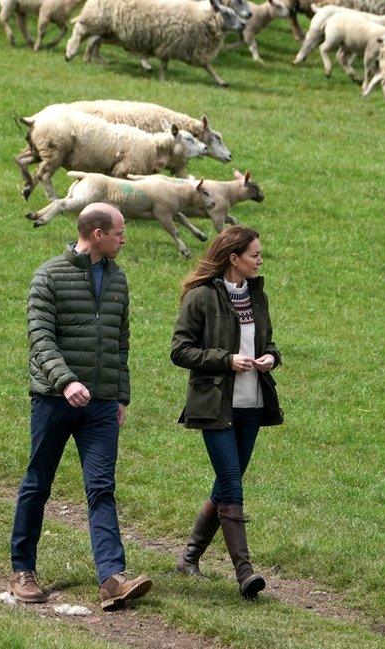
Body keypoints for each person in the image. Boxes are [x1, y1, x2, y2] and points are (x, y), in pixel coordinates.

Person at [9, 203, 152, 610]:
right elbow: (40, 338)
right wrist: (66, 380)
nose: (125, 238)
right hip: (53, 400)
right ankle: (23, 569)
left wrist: (120, 395)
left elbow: (121, 340)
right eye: (120, 232)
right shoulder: (49, 276)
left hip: (101, 406)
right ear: (96, 233)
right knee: (38, 482)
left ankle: (111, 578)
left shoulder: (118, 279)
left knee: (102, 488)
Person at [171, 226, 282, 599]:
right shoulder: (200, 297)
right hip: (216, 406)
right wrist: (226, 360)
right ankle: (245, 573)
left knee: (224, 484)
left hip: (252, 405)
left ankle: (189, 558)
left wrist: (271, 357)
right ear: (234, 258)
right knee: (232, 483)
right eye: (254, 254)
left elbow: (266, 342)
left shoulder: (257, 295)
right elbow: (180, 351)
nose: (260, 260)